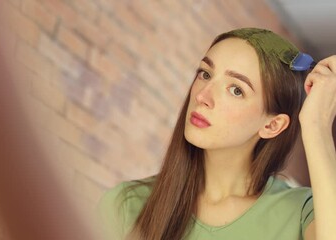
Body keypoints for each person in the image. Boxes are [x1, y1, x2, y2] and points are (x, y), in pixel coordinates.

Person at [97, 28, 336, 240]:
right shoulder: (126, 205)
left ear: (272, 125)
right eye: (206, 74)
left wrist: (317, 126)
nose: (203, 96)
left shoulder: (305, 213)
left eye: (235, 90)